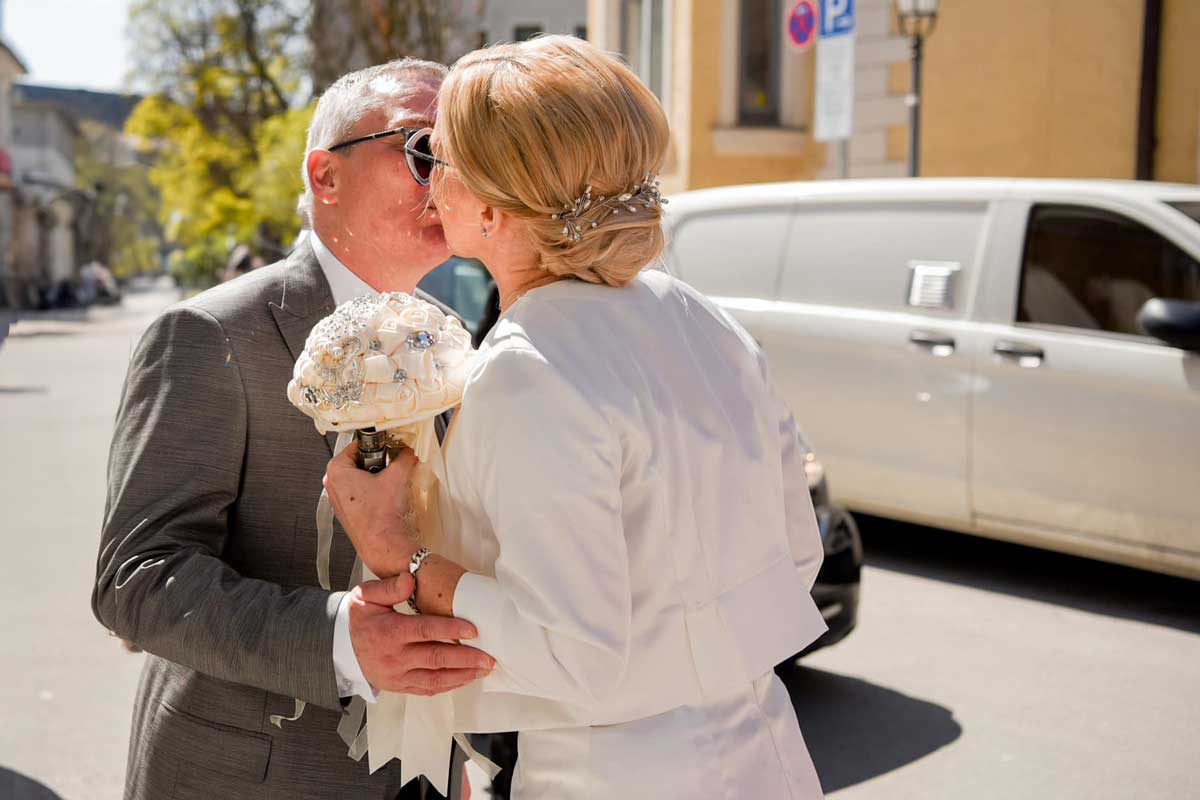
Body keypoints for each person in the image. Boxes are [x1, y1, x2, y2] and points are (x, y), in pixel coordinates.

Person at [324, 36, 828, 798]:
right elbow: (797, 554)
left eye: (440, 158)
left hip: (613, 773)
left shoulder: (532, 365)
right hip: (766, 746)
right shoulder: (703, 320)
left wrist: (406, 557)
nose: (431, 183)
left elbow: (574, 653)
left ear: (492, 205)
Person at [94, 58, 494, 800]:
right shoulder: (210, 333)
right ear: (325, 176)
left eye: (467, 160)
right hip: (250, 773)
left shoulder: (454, 339)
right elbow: (136, 580)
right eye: (423, 152)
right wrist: (338, 638)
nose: (449, 181)